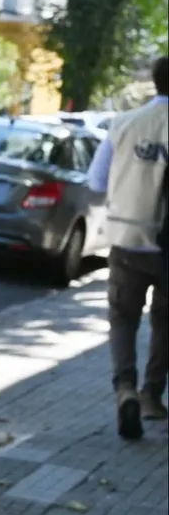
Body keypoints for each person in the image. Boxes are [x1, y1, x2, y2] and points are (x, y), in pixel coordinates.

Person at [87, 55, 169, 439]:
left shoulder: (122, 125)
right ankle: (152, 395)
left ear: (155, 82)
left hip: (127, 242)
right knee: (165, 323)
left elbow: (96, 182)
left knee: (123, 319)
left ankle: (124, 390)